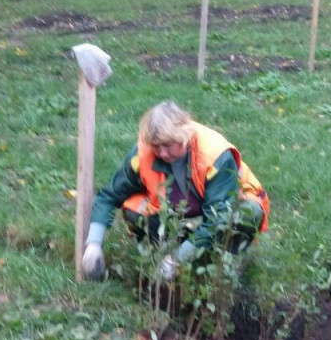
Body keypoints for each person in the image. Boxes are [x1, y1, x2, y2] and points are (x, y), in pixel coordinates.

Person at [81, 101, 269, 281]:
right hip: (179, 209)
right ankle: (162, 255)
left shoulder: (216, 155)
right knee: (133, 207)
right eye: (156, 146)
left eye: (168, 145)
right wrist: (94, 244)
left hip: (223, 206)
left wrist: (176, 259)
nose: (161, 153)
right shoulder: (142, 152)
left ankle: (224, 263)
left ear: (184, 137)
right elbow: (109, 195)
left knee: (248, 212)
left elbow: (218, 219)